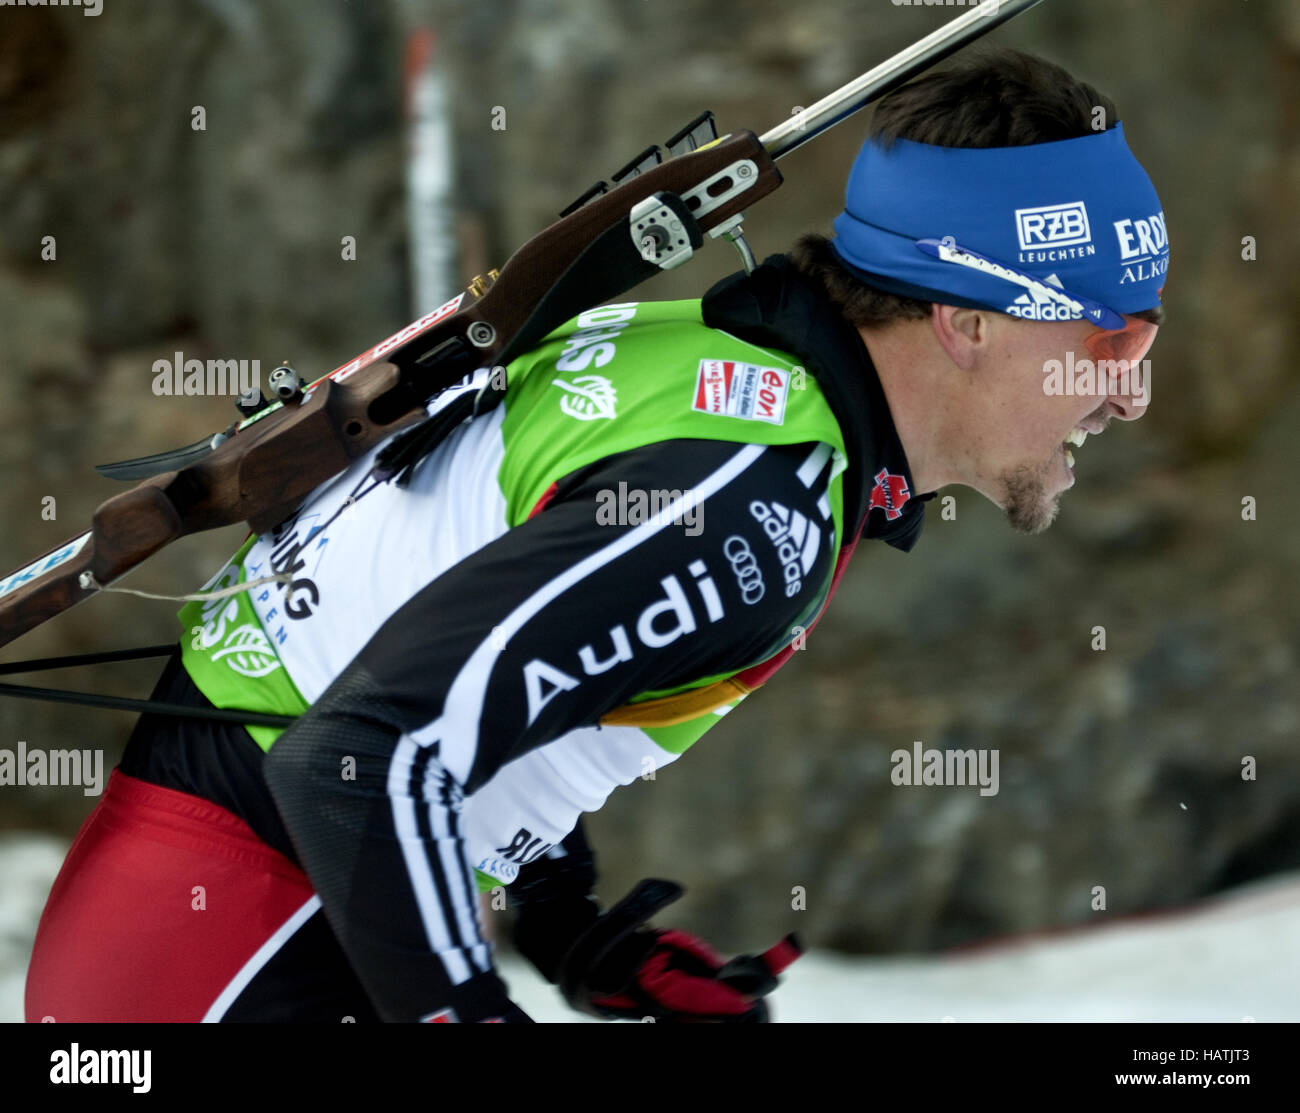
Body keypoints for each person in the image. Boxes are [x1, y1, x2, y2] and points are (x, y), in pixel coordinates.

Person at [25, 46, 1167, 1023]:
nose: (1131, 395)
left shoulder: (709, 377)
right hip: (230, 943)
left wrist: (571, 933)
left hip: (201, 913)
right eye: (1111, 341)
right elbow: (363, 757)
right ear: (966, 321)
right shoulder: (747, 500)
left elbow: (488, 676)